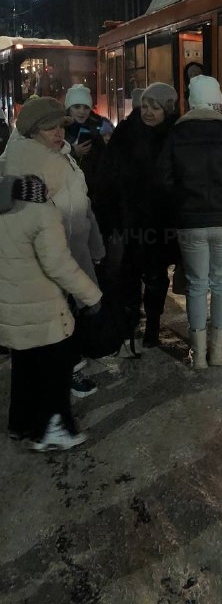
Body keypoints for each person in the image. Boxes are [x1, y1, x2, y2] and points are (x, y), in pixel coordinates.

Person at [0, 96, 106, 397]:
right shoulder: (17, 159)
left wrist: (94, 243)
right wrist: (10, 189)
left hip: (73, 250)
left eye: (60, 126)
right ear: (32, 131)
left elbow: (83, 204)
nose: (58, 133)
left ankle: (64, 374)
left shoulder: (64, 156)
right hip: (42, 262)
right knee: (56, 324)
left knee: (69, 319)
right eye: (50, 128)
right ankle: (60, 385)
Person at [156, 76, 222, 368]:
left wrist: (182, 202)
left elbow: (162, 180)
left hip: (190, 222)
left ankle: (198, 354)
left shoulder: (176, 134)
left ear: (192, 101)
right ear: (217, 101)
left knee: (197, 286)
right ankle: (219, 352)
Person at [0, 174, 101, 450]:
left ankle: (20, 424)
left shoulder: (5, 213)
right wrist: (90, 295)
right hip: (43, 309)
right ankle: (53, 428)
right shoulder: (43, 215)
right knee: (56, 368)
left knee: (24, 366)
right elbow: (58, 265)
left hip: (12, 310)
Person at [94, 82, 179, 350]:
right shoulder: (126, 132)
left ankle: (153, 322)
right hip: (127, 219)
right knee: (127, 276)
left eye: (156, 107)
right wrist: (108, 217)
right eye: (146, 106)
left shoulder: (175, 136)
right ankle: (130, 320)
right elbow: (106, 176)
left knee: (155, 276)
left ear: (168, 110)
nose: (149, 112)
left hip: (160, 222)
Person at [63, 84, 106, 198]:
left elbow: (103, 163)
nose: (82, 112)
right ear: (69, 109)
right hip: (65, 191)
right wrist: (73, 152)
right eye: (77, 107)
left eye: (86, 107)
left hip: (91, 192)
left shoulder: (95, 131)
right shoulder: (58, 129)